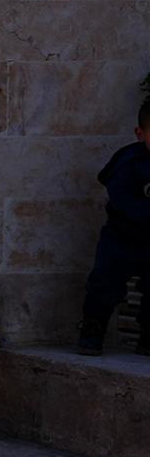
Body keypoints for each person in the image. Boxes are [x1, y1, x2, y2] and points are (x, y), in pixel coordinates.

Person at [75, 96, 150, 356]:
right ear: (140, 134)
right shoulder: (129, 162)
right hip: (122, 239)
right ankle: (92, 333)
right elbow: (123, 199)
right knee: (104, 286)